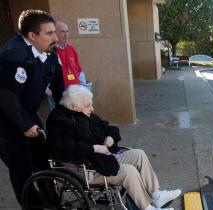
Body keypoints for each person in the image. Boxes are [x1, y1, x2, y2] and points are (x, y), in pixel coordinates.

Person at [46, 85, 181, 210]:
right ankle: (146, 207)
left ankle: (156, 196)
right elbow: (66, 147)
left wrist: (110, 137)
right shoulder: (59, 120)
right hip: (85, 169)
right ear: (73, 106)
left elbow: (110, 128)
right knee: (128, 171)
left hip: (101, 160)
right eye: (88, 106)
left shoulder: (86, 115)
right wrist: (95, 148)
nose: (92, 109)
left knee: (138, 154)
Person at [0, 9, 64, 204]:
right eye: (50, 33)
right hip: (4, 119)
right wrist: (25, 125)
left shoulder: (50, 53)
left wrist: (71, 114)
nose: (56, 37)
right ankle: (32, 205)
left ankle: (52, 203)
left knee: (43, 161)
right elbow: (6, 96)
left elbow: (59, 87)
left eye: (55, 31)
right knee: (21, 167)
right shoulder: (13, 54)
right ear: (32, 36)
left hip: (27, 112)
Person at [46, 20, 88, 109]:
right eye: (62, 32)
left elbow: (79, 70)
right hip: (59, 95)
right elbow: (42, 72)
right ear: (55, 33)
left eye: (67, 31)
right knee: (60, 120)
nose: (66, 35)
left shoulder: (71, 48)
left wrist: (84, 89)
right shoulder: (49, 51)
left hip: (75, 94)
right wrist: (46, 89)